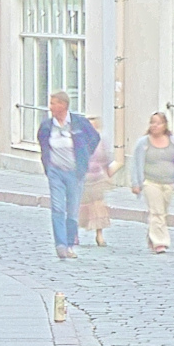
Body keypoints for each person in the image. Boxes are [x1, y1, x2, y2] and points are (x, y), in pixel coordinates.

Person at [38, 90, 99, 258]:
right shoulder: (47, 126)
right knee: (57, 207)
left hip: (75, 172)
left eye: (53, 103)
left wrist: (84, 156)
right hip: (55, 171)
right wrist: (47, 164)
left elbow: (94, 138)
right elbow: (43, 144)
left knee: (72, 209)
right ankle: (61, 244)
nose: (50, 107)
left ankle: (70, 244)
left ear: (63, 105)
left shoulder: (78, 123)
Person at [130, 110, 174, 252]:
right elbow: (136, 164)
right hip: (150, 182)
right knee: (157, 212)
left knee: (162, 212)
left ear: (164, 125)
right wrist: (136, 183)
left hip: (169, 183)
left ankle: (152, 236)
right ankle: (160, 243)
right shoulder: (143, 143)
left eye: (158, 123)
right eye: (152, 123)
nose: (154, 126)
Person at [79, 128, 115, 246]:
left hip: (97, 178)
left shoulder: (100, 141)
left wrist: (108, 174)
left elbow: (105, 159)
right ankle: (74, 232)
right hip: (82, 179)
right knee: (81, 208)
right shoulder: (78, 139)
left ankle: (99, 235)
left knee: (99, 207)